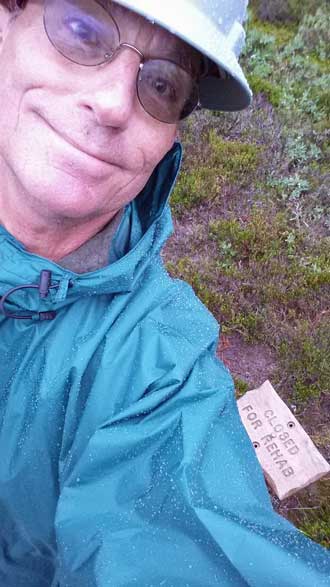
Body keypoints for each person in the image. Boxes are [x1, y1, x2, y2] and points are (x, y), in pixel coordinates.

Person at [0, 0, 329, 585]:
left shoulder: (160, 369)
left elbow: (180, 530)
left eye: (163, 83)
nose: (112, 103)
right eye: (81, 30)